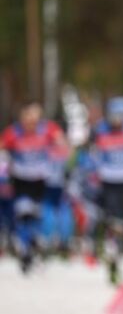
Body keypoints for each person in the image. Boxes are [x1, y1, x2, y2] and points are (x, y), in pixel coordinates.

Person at [0, 101, 67, 272]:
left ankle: (32, 243)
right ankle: (24, 248)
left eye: (35, 116)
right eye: (28, 116)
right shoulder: (14, 132)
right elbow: (2, 146)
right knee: (24, 213)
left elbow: (62, 143)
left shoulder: (47, 129)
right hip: (21, 180)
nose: (31, 120)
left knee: (36, 215)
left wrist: (59, 151)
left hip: (40, 180)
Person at [92, 96, 123, 283]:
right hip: (108, 182)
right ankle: (111, 253)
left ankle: (118, 252)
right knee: (113, 222)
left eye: (121, 115)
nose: (117, 119)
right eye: (114, 115)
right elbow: (91, 151)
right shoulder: (99, 130)